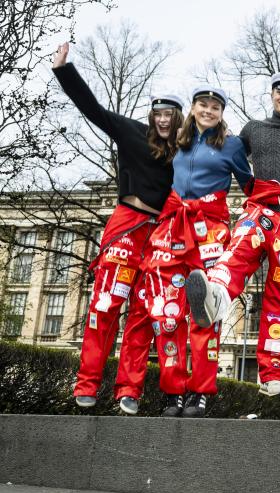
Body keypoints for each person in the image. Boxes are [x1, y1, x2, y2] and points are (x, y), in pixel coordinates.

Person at [52, 42, 183, 415]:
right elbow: (91, 109)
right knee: (106, 305)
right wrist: (65, 70)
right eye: (158, 113)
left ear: (178, 119)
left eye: (170, 115)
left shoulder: (183, 153)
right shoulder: (130, 132)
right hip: (127, 224)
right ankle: (88, 384)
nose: (163, 120)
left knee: (144, 313)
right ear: (151, 115)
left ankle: (129, 389)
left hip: (159, 236)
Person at [186, 72, 280, 395]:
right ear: (272, 95)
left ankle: (272, 374)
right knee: (237, 253)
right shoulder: (253, 129)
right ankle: (214, 295)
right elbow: (225, 152)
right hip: (260, 209)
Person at [143, 85, 252, 417]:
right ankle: (173, 391)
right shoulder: (177, 140)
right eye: (202, 104)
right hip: (173, 229)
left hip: (211, 231)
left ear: (222, 113)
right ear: (192, 108)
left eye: (215, 106)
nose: (208, 110)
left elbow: (250, 185)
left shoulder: (232, 144)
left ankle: (201, 391)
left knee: (206, 310)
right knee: (167, 314)